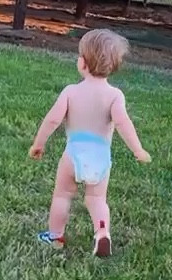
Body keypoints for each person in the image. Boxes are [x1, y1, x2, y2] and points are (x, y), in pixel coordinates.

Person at [29, 28, 151, 258]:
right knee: (96, 199)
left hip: (74, 153)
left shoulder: (71, 91)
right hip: (101, 157)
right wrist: (138, 149)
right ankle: (102, 231)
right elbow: (123, 123)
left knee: (62, 195)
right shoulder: (115, 96)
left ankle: (55, 236)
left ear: (82, 63)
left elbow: (53, 118)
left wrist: (39, 143)